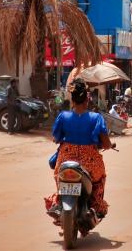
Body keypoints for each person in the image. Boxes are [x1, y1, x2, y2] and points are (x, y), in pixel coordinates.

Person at [45, 78, 112, 221]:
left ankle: (58, 203)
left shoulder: (63, 116)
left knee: (59, 176)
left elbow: (56, 138)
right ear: (87, 99)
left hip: (65, 159)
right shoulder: (96, 118)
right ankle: (95, 206)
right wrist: (107, 145)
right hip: (90, 162)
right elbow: (106, 144)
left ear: (72, 99)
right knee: (100, 179)